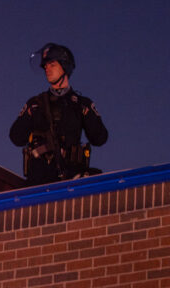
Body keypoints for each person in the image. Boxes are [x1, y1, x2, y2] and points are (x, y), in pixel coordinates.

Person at [9, 43, 108, 186]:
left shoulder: (81, 104)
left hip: (72, 178)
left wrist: (87, 112)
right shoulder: (35, 104)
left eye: (52, 65)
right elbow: (16, 137)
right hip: (39, 179)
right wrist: (29, 114)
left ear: (65, 66)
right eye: (45, 66)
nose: (47, 69)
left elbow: (100, 138)